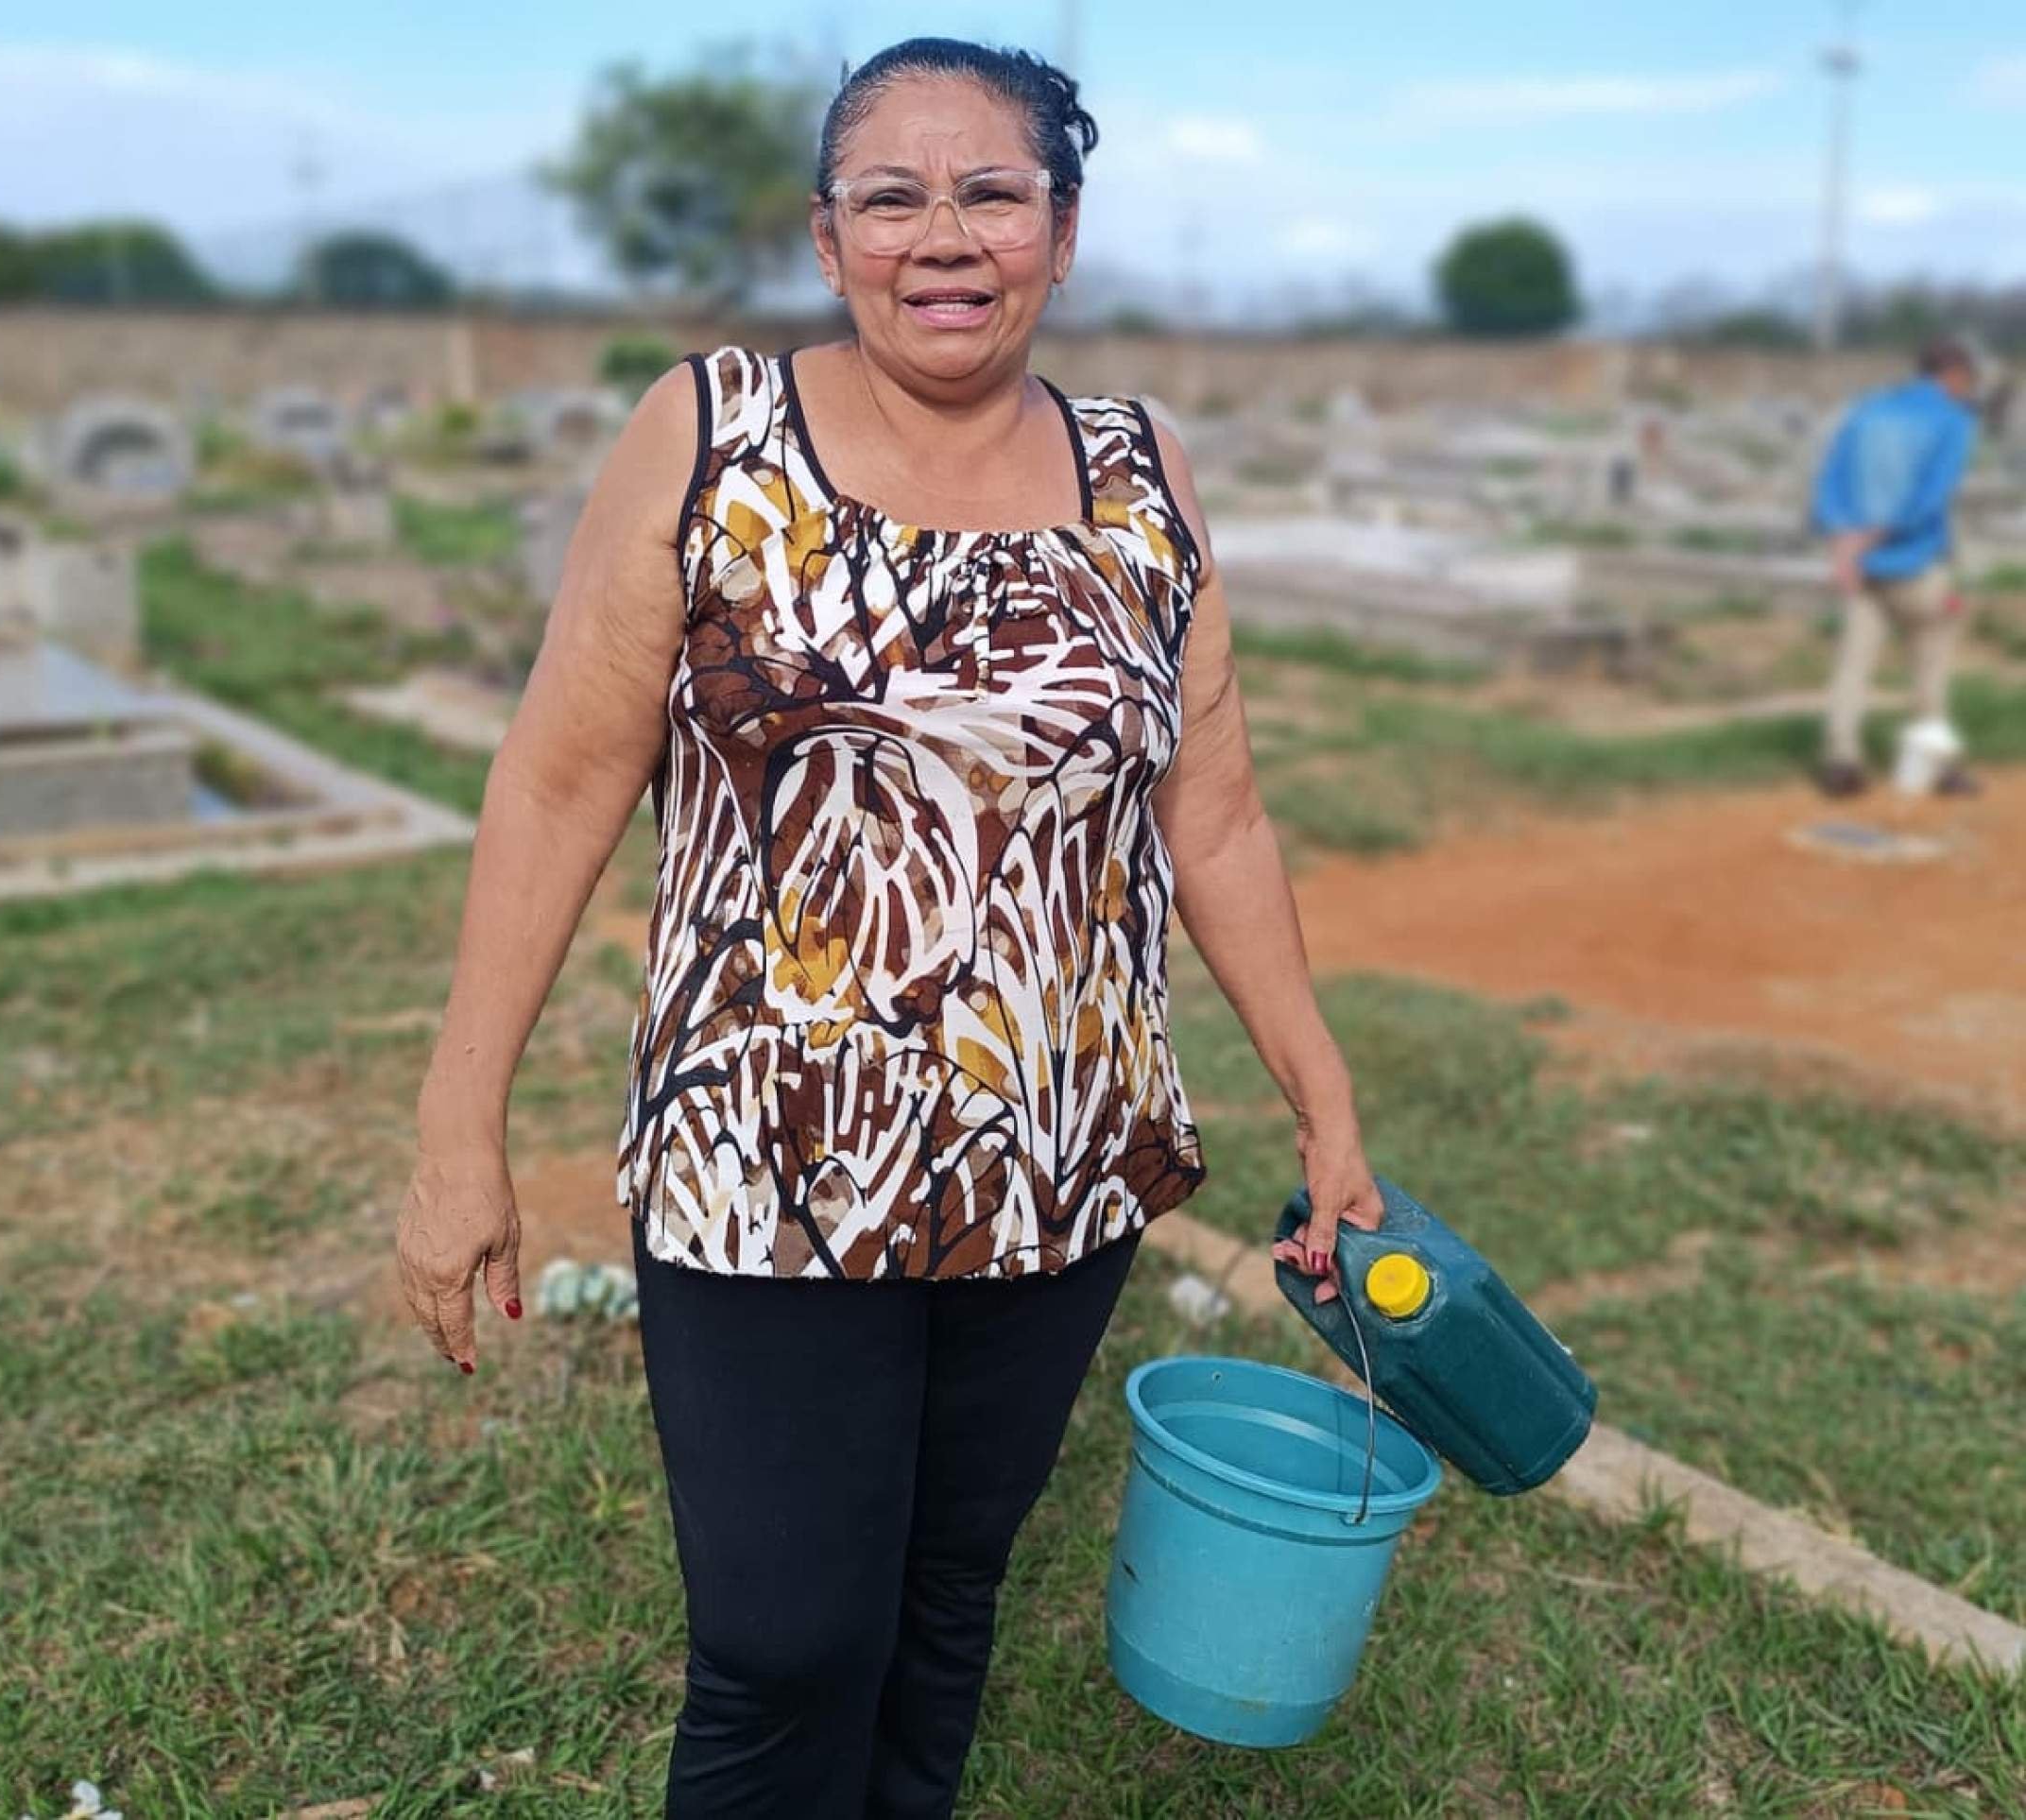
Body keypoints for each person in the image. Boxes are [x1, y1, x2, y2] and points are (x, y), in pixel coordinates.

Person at [394, 36, 1382, 1817]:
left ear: (1062, 235)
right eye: (893, 195)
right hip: (770, 1158)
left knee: (946, 1594)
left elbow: (1211, 807)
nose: (947, 234)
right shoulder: (712, 433)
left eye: (994, 191)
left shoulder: (1140, 468)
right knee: (784, 1637)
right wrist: (456, 1126)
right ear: (827, 235)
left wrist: (1322, 1091)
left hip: (1060, 1152)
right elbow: (556, 783)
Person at [1811, 332, 2002, 798]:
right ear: (1954, 375)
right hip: (1916, 563)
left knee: (1852, 665)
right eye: (1969, 379)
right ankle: (1935, 768)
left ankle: (1842, 761)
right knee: (1930, 665)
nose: (1970, 387)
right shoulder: (1954, 421)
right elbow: (1930, 498)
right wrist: (1875, 535)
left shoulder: (1866, 409)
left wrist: (1846, 547)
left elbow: (1829, 484)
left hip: (1859, 567)